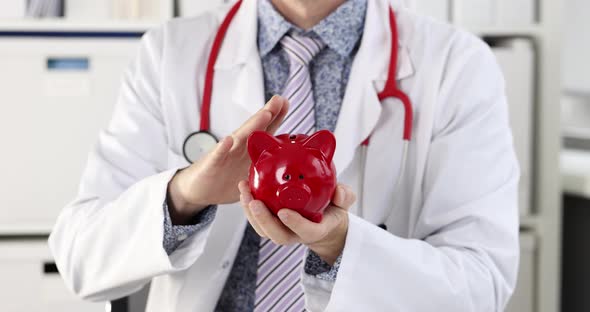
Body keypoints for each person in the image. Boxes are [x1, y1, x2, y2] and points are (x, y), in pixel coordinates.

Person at [48, 0, 520, 311]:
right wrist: (185, 196)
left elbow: (482, 284)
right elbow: (81, 257)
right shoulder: (170, 53)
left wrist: (340, 246)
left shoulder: (456, 65)